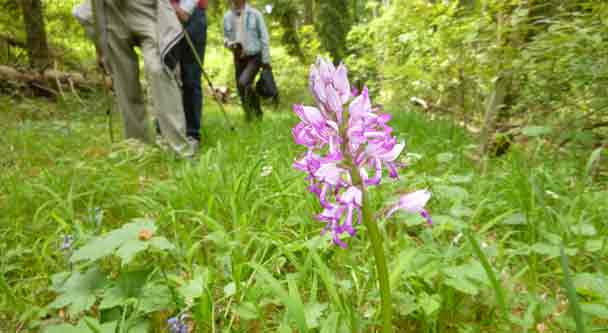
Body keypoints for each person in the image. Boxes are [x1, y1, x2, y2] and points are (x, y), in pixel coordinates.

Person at [73, 0, 195, 158]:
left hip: (145, 7)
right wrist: (99, 44)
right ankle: (137, 147)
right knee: (124, 82)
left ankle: (180, 149)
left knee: (158, 69)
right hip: (108, 10)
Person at [223, 0, 271, 122]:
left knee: (243, 82)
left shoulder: (255, 14)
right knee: (241, 89)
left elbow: (264, 37)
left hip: (254, 56)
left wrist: (266, 61)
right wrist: (229, 44)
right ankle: (249, 115)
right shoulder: (227, 16)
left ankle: (257, 111)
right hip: (238, 56)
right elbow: (225, 38)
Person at [169, 0, 207, 147]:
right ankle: (166, 130)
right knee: (164, 74)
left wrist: (184, 9)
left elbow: (184, 14)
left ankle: (192, 134)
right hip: (163, 12)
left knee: (191, 78)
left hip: (192, 14)